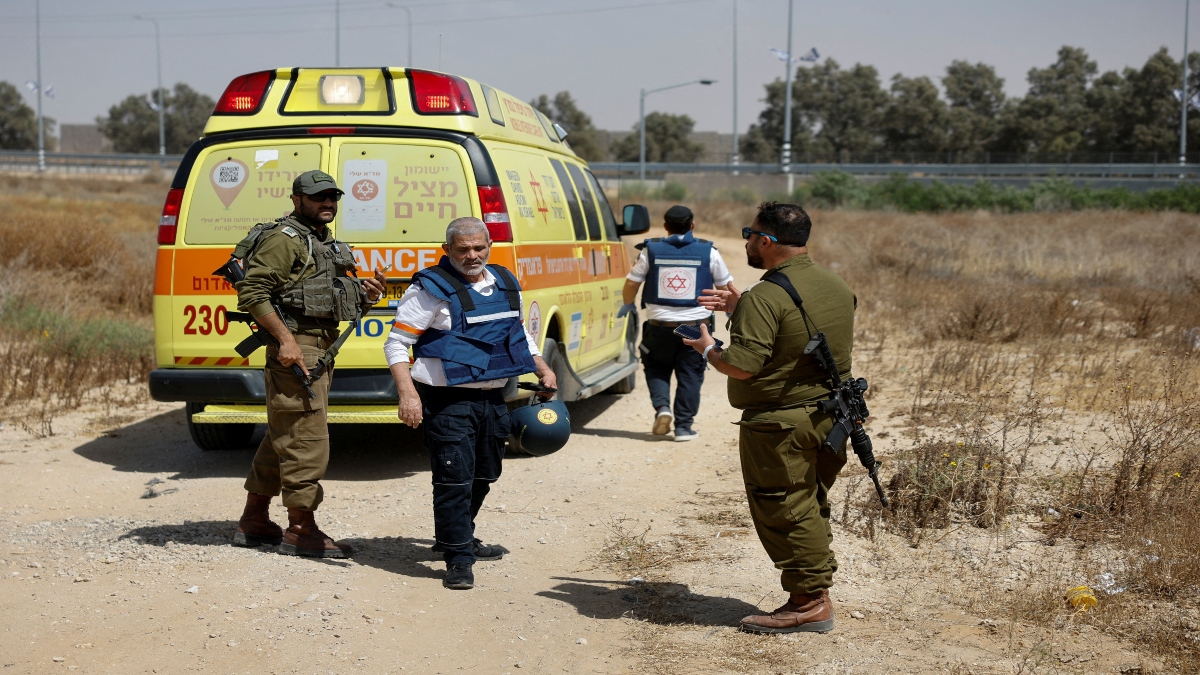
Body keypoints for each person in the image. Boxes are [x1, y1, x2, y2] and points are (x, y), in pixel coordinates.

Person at [681, 202, 857, 634]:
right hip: (830, 420)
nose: (746, 241)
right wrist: (743, 306)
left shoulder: (768, 295)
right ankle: (814, 590)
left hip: (781, 426)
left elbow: (742, 365)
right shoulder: (835, 285)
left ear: (767, 241)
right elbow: (797, 336)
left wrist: (706, 347)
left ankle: (810, 602)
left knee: (785, 509)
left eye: (749, 233)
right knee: (809, 503)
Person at [384, 217, 557, 590]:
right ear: (447, 250)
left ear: (489, 245)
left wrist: (542, 366)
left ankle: (458, 535)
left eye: (479, 247)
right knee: (453, 478)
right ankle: (458, 557)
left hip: (494, 396)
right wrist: (407, 393)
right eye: (463, 249)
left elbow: (519, 334)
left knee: (485, 473)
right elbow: (397, 344)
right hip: (447, 401)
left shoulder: (505, 283)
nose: (472, 255)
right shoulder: (430, 289)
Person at [233, 170, 386, 558]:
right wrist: (285, 341)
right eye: (318, 197)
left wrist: (367, 296)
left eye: (332, 196)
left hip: (318, 346)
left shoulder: (323, 242)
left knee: (285, 432)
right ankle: (301, 529)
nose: (327, 203)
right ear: (297, 198)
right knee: (307, 438)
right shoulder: (284, 239)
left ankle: (255, 520)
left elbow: (325, 299)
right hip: (298, 348)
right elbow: (252, 290)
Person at [616, 205, 733, 441]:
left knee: (656, 367)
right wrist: (730, 313)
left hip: (659, 326)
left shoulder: (650, 250)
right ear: (693, 225)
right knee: (690, 374)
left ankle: (662, 409)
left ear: (666, 226)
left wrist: (628, 303)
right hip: (695, 328)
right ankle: (683, 427)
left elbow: (631, 284)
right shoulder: (709, 252)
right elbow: (726, 288)